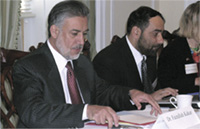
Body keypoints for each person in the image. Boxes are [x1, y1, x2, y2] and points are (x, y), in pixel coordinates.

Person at [13, 1, 162, 128]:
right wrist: (86, 111)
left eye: (84, 34)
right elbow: (33, 112)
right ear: (54, 31)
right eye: (74, 33)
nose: (82, 41)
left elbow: (103, 92)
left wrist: (130, 94)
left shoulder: (82, 62)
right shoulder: (28, 66)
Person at [93, 6, 178, 102]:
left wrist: (162, 94)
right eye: (155, 34)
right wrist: (147, 98)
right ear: (136, 32)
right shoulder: (107, 60)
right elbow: (106, 100)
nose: (161, 40)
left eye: (161, 34)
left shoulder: (150, 54)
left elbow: (152, 90)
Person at [157, 1, 200, 94]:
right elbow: (165, 84)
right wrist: (195, 81)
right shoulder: (173, 50)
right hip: (183, 101)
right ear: (194, 25)